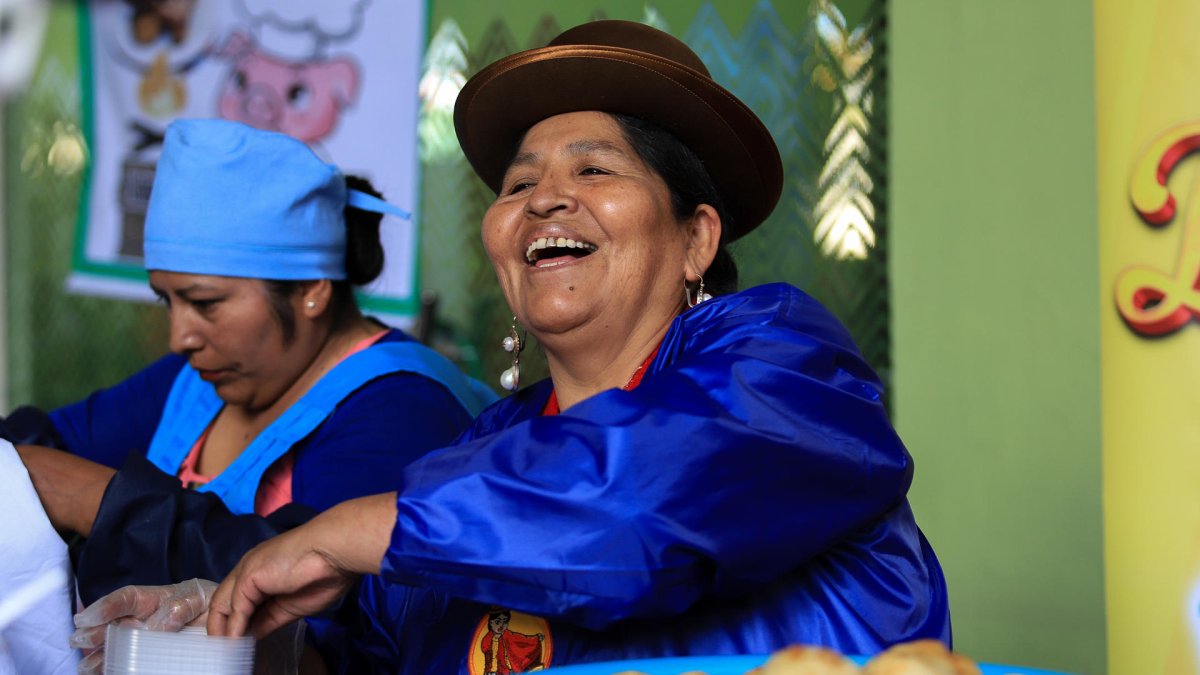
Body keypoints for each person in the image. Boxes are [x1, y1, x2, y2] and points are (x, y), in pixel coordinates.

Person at [80, 21, 950, 673]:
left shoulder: (784, 367)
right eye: (519, 182)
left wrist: (342, 531)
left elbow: (632, 506)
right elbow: (377, 640)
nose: (544, 199)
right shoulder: (481, 450)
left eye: (594, 170)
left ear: (696, 238)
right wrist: (234, 635)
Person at [8, 119, 495, 665]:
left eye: (205, 304)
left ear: (310, 290)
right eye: (168, 301)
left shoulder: (400, 408)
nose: (180, 337)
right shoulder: (198, 381)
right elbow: (37, 448)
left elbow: (333, 618)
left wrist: (92, 499)